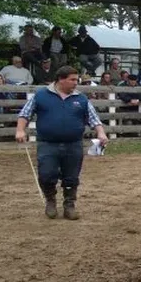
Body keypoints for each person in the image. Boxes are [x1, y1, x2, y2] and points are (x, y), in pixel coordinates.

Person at [15, 65, 108, 220]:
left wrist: (101, 132)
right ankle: (50, 200)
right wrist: (20, 130)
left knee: (71, 176)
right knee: (47, 174)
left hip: (73, 144)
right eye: (72, 80)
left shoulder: (81, 99)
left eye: (76, 79)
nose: (75, 83)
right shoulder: (41, 95)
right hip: (48, 144)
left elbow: (93, 118)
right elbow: (25, 114)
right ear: (60, 79)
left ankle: (69, 205)